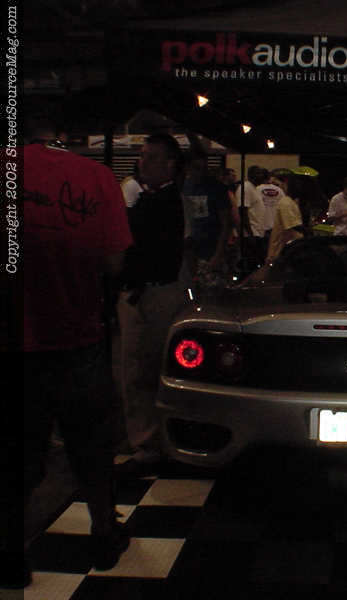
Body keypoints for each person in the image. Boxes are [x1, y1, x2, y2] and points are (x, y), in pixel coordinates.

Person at [11, 118, 134, 587]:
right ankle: (103, 535)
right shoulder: (97, 177)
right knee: (91, 447)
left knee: (18, 454)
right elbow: (115, 260)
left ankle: (10, 553)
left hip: (13, 341)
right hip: (77, 336)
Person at [115, 133, 187, 476]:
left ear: (169, 164)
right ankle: (151, 439)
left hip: (153, 292)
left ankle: (148, 444)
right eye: (142, 156)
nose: (142, 162)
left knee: (141, 370)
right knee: (140, 369)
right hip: (150, 290)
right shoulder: (154, 197)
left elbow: (140, 243)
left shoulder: (165, 200)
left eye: (150, 157)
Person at [182, 149, 232, 273]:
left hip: (211, 249)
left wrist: (218, 255)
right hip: (189, 251)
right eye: (196, 168)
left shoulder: (216, 188)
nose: (200, 172)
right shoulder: (184, 187)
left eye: (203, 168)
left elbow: (226, 223)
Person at [230, 165, 268, 269]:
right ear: (252, 175)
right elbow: (243, 211)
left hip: (256, 233)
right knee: (250, 265)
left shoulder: (254, 188)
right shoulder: (246, 188)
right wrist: (250, 233)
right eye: (258, 173)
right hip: (249, 234)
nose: (261, 176)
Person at [266, 174, 306, 261]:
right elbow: (292, 227)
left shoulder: (291, 202)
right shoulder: (286, 203)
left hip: (289, 249)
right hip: (281, 251)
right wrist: (308, 231)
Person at [256, 170, 285, 247]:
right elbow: (283, 206)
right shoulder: (279, 190)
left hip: (261, 226)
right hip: (276, 225)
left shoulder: (257, 189)